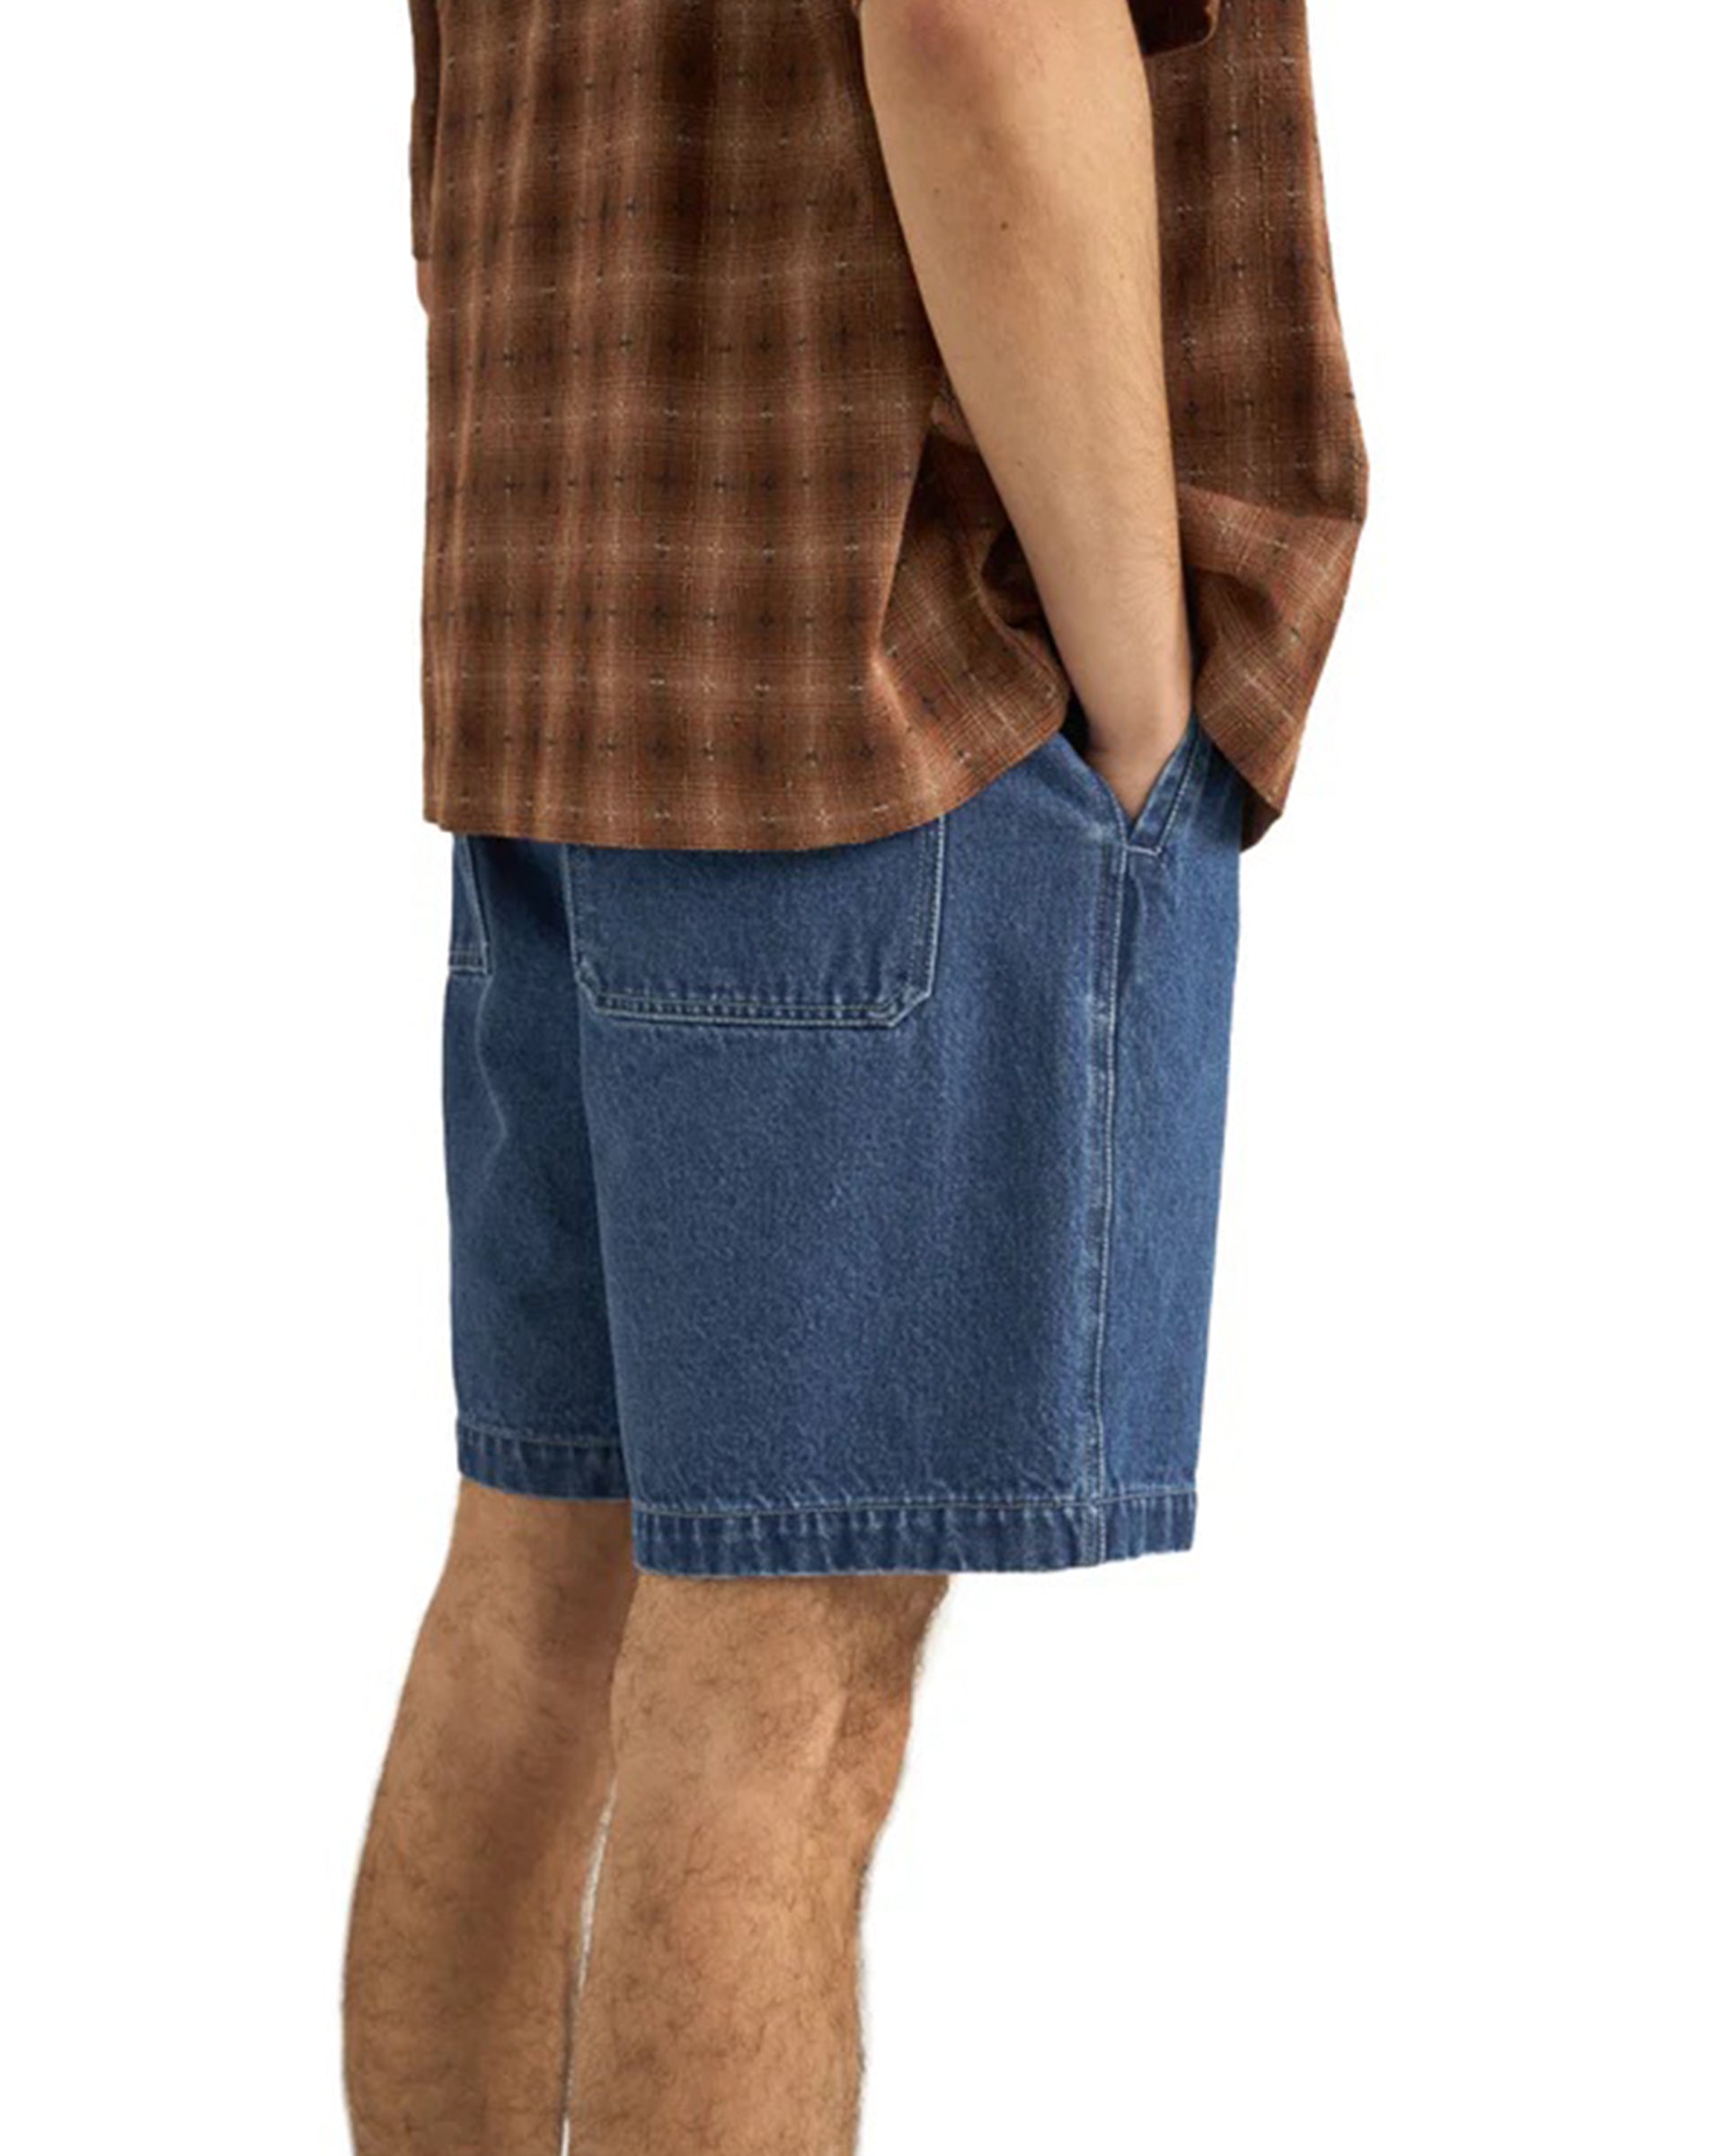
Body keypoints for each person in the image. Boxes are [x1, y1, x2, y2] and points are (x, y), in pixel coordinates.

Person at [344, 1, 1368, 2149]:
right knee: (782, 1686)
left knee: (545, 1595)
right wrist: (1139, 694)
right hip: (882, 682)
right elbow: (978, 25)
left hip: (569, 631)